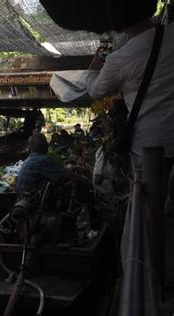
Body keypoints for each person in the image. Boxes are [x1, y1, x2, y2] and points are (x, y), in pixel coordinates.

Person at [85, 7, 174, 213]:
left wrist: (92, 68)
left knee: (150, 208)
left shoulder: (119, 59)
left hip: (149, 145)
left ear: (117, 25)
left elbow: (96, 90)